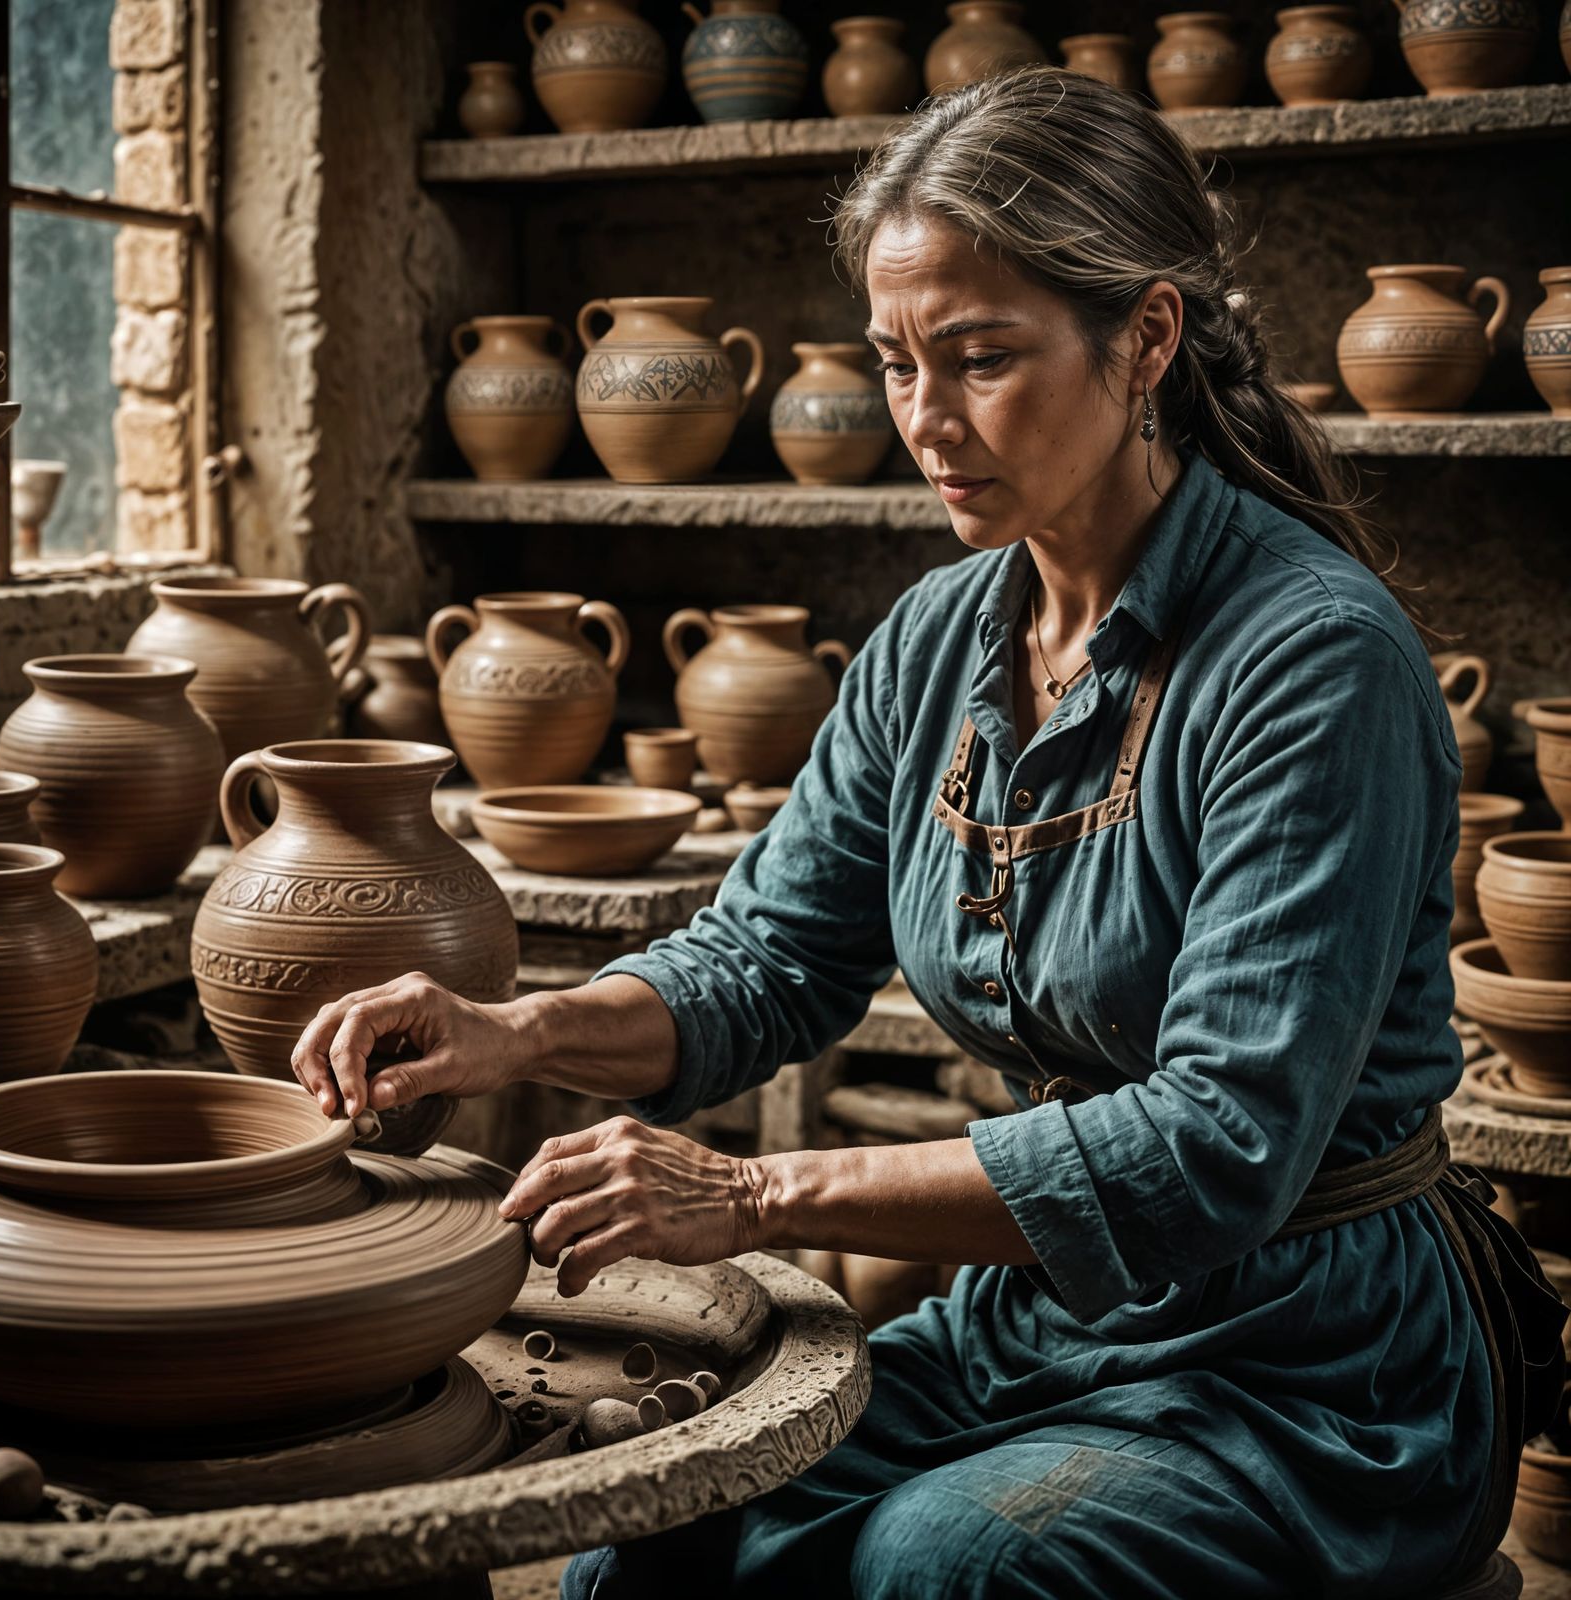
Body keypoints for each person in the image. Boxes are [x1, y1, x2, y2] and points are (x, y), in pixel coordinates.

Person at [292, 68, 1563, 1598]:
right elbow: (767, 958)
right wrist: (510, 1033)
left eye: (978, 360)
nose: (924, 420)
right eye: (896, 363)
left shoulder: (1312, 661)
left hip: (1319, 1363)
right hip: (1054, 1323)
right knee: (646, 1534)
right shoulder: (941, 637)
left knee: (942, 1567)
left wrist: (751, 1195)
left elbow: (1216, 1152)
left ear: (1146, 337)